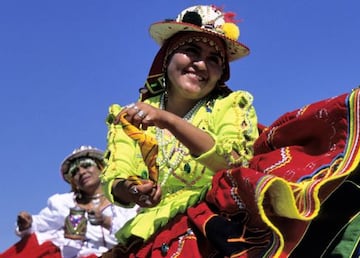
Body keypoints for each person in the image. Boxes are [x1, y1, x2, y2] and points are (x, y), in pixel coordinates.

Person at [100, 4, 259, 257]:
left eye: (214, 59)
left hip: (218, 222)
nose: (200, 64)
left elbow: (233, 160)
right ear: (167, 56)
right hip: (152, 232)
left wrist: (169, 121)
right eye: (191, 51)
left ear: (221, 74)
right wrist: (133, 189)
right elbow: (116, 174)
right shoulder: (131, 114)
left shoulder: (230, 105)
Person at [1, 146, 139, 258]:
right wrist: (27, 223)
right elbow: (41, 225)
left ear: (100, 168)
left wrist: (105, 221)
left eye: (86, 165)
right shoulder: (64, 203)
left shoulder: (121, 196)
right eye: (75, 171)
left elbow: (134, 231)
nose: (81, 172)